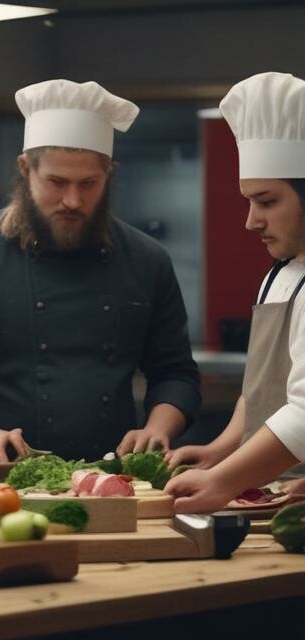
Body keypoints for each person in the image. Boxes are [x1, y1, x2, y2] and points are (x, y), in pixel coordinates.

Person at [0, 79, 201, 464]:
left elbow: (175, 372)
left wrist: (157, 429)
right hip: (0, 474)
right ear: (25, 169)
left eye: (89, 184)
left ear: (109, 175)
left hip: (110, 474)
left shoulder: (147, 260)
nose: (72, 200)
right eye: (56, 182)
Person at [166, 72, 305, 512]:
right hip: (277, 490)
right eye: (248, 202)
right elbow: (262, 386)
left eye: (266, 202)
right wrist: (222, 450)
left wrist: (224, 481)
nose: (251, 221)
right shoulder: (279, 273)